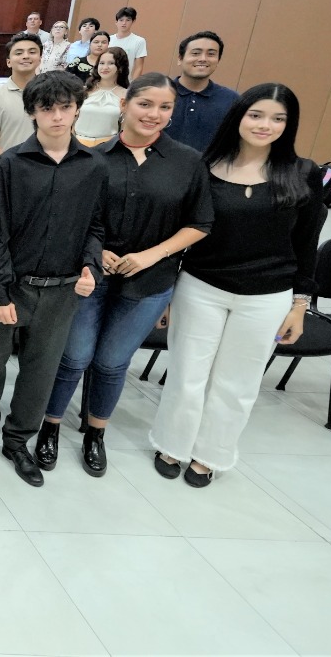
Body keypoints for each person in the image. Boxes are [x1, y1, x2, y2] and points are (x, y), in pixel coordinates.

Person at [40, 73, 213, 477]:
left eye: (165, 107)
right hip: (90, 275)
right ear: (124, 105)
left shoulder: (188, 161)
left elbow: (200, 222)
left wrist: (151, 256)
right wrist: (97, 251)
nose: (154, 114)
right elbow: (74, 216)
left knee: (112, 363)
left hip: (150, 280)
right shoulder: (92, 156)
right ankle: (49, 427)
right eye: (145, 104)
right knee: (74, 357)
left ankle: (95, 434)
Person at [150, 84, 324, 487]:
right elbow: (182, 233)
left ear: (289, 125)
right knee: (187, 375)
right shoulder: (204, 166)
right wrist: (167, 292)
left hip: (267, 296)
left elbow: (307, 242)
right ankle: (171, 444)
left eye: (278, 119)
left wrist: (300, 305)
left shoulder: (303, 173)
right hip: (201, 286)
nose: (265, 125)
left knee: (237, 383)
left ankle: (209, 456)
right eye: (256, 115)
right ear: (239, 117)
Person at [0, 71, 105, 487]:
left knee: (41, 370)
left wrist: (91, 266)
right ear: (32, 113)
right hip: (13, 285)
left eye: (65, 108)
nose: (57, 116)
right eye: (47, 108)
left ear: (77, 110)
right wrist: (0, 291)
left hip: (62, 289)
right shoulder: (10, 163)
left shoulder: (94, 166)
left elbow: (96, 225)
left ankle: (18, 440)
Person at [0, 32, 45, 175]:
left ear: (40, 59)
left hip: (40, 174)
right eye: (19, 53)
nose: (26, 56)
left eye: (32, 52)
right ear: (9, 62)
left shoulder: (50, 96)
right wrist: (20, 170)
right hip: (1, 174)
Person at [165, 31, 239, 152]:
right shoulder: (160, 92)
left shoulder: (231, 100)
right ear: (180, 59)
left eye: (211, 54)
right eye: (195, 53)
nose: (203, 59)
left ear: (218, 61)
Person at [75, 47, 129, 146]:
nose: (105, 67)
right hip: (78, 144)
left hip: (108, 146)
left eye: (111, 63)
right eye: (102, 63)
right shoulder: (84, 91)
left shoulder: (126, 94)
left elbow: (126, 127)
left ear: (120, 67)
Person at [110, 7, 147, 74]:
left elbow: (139, 67)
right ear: (116, 22)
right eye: (121, 20)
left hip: (126, 79)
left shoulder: (139, 41)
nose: (124, 23)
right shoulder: (108, 39)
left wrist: (134, 81)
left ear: (133, 21)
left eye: (128, 20)